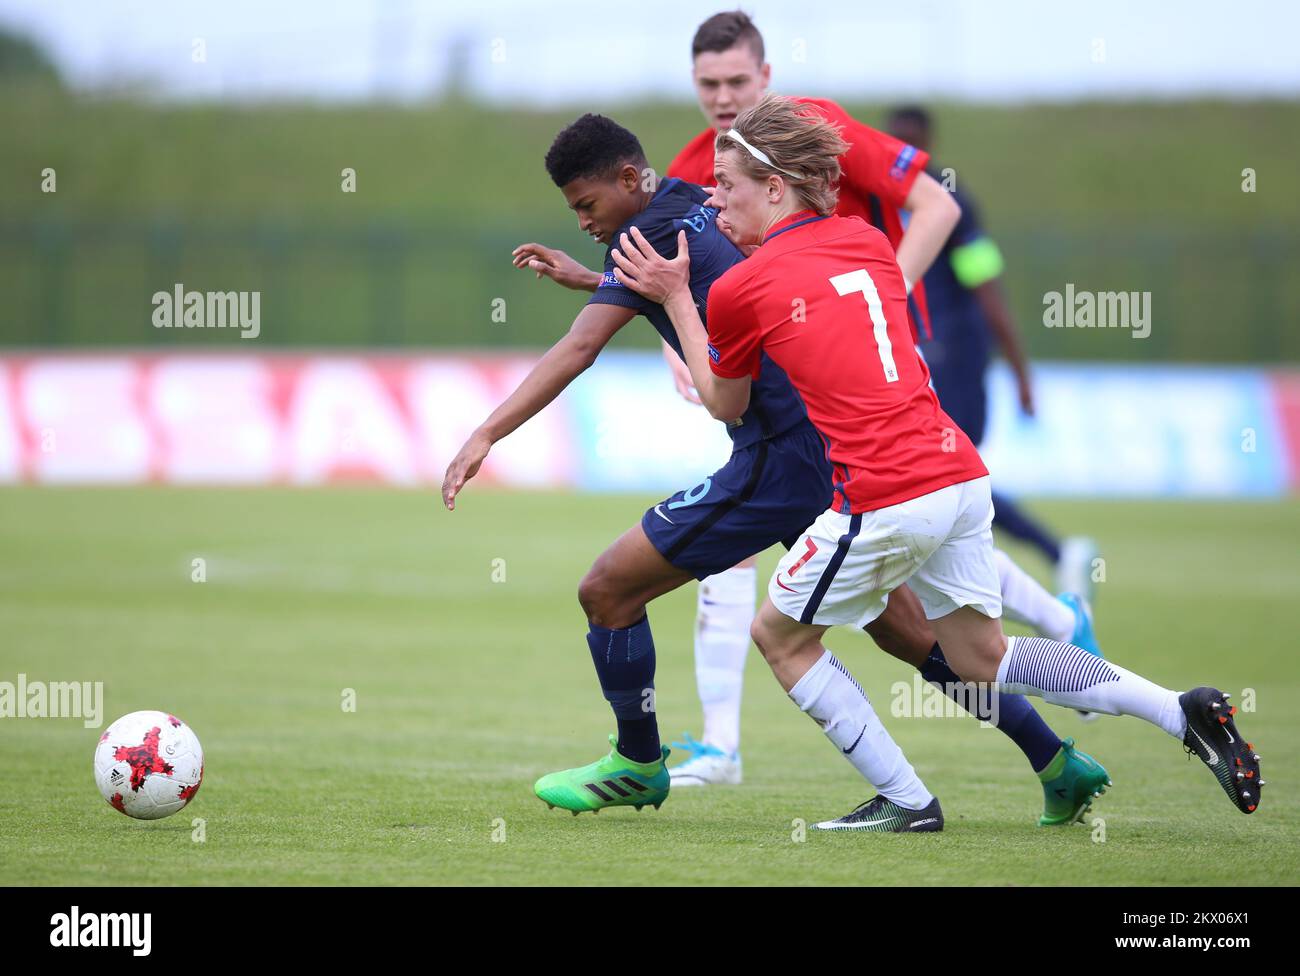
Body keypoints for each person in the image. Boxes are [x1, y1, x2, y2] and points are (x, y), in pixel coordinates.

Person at [609, 94, 1263, 830]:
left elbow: (724, 404)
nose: (711, 195)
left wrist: (676, 300)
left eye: (725, 184)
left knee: (780, 636)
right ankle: (1180, 712)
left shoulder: (740, 287)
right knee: (983, 656)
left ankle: (908, 800)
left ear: (774, 186)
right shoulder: (864, 240)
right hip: (957, 474)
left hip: (882, 494)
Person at [453, 112, 1108, 823]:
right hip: (822, 449)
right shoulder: (699, 206)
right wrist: (596, 279)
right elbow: (713, 282)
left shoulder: (645, 238)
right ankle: (1056, 760)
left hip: (776, 461)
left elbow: (579, 351)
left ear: (630, 179)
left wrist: (486, 432)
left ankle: (640, 762)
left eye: (587, 204)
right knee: (910, 635)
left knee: (607, 590)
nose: (583, 220)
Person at [885, 104, 1099, 601]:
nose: (904, 155)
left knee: (950, 475)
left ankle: (1050, 560)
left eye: (912, 144)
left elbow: (987, 288)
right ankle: (1048, 560)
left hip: (955, 354)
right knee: (944, 478)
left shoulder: (951, 203)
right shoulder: (875, 200)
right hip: (912, 353)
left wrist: (1022, 373)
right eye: (896, 145)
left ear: (928, 142)